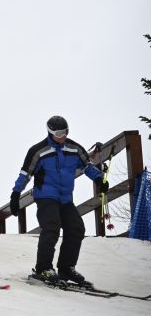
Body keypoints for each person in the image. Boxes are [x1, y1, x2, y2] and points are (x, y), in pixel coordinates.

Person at [9, 115, 108, 285]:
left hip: (65, 198)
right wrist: (15, 195)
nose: (62, 136)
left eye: (66, 132)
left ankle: (66, 267)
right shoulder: (38, 151)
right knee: (52, 228)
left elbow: (87, 166)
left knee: (76, 228)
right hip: (45, 196)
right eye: (59, 133)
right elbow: (25, 174)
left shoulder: (74, 149)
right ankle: (43, 268)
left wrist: (99, 179)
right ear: (50, 132)